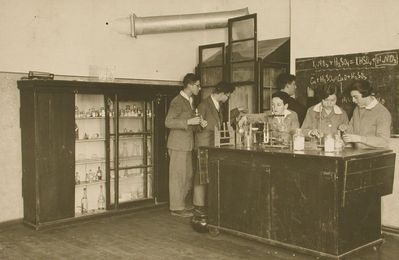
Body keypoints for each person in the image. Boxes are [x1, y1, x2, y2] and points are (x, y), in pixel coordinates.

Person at [165, 73, 207, 217]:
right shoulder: (177, 101)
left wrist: (200, 124)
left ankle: (180, 204)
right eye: (197, 85)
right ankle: (176, 208)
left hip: (187, 145)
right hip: (177, 145)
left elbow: (190, 125)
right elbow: (168, 122)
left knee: (187, 175)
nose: (199, 88)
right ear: (189, 85)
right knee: (178, 176)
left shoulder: (190, 100)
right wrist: (189, 122)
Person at [193, 81, 235, 216]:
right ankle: (199, 205)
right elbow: (195, 125)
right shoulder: (204, 105)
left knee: (208, 175)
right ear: (223, 94)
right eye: (228, 96)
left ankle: (206, 203)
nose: (228, 98)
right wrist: (200, 124)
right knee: (201, 174)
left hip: (213, 144)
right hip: (204, 144)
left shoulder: (218, 106)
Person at [339, 79, 391, 149]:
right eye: (352, 97)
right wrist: (346, 128)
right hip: (359, 153)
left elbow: (384, 141)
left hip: (376, 156)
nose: (353, 100)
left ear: (366, 94)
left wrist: (360, 139)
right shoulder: (357, 109)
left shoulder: (382, 113)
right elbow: (352, 129)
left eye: (356, 97)